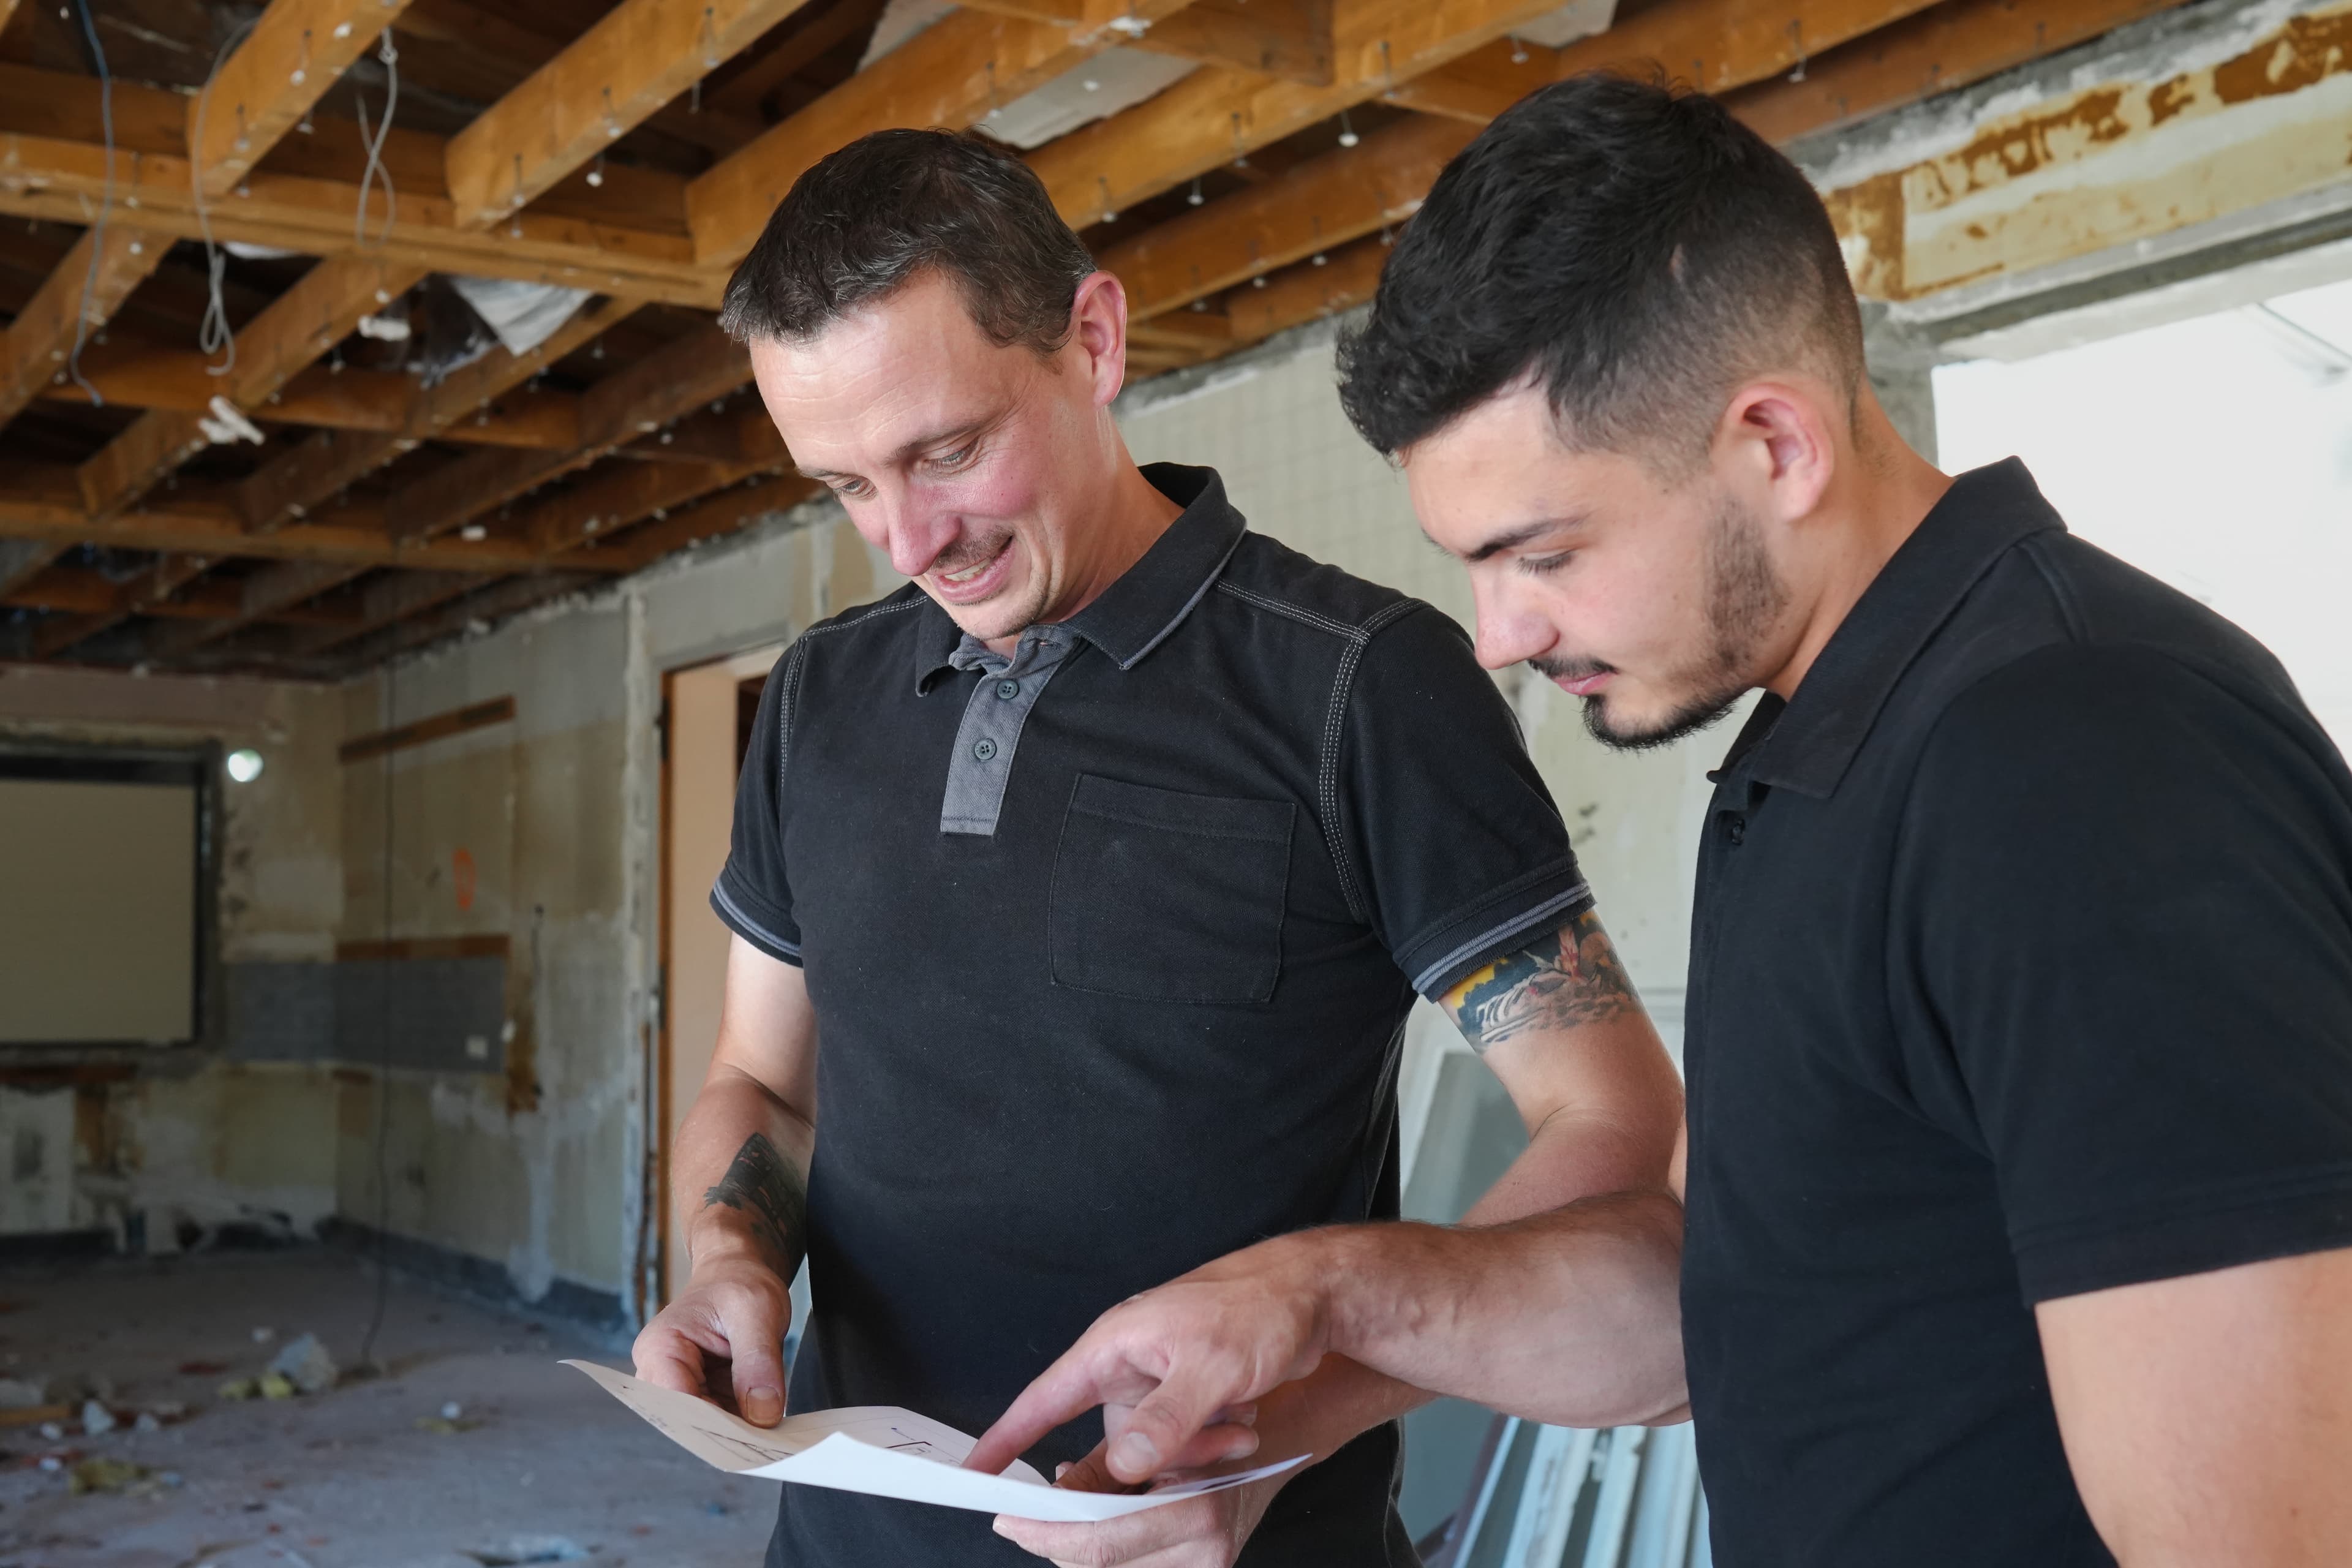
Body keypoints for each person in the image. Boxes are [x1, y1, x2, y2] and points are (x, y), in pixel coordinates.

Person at [970, 75, 2352, 1566]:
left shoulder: (2076, 756)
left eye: (1543, 552)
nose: (1497, 635)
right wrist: (1318, 1308)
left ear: (1774, 441)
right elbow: (1696, 1295)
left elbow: (2263, 1535)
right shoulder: (1820, 750)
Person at [629, 127, 1687, 1568]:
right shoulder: (820, 697)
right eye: (847, 486)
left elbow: (1613, 1124)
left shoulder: (1360, 684)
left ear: (1094, 340)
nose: (911, 539)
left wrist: (1305, 1413)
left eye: (948, 451)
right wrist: (729, 1256)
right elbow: (761, 1079)